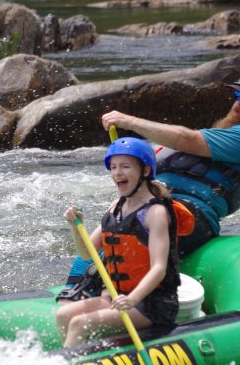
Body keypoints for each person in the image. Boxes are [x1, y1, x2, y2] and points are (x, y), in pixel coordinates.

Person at [101, 67, 240, 256]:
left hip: (190, 215)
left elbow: (186, 139)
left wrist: (130, 122)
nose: (239, 104)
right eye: (237, 95)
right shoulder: (210, 138)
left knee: (129, 242)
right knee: (97, 250)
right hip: (152, 205)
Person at [55, 138, 192, 348]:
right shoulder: (115, 207)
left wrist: (133, 299)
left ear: (145, 171)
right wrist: (75, 226)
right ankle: (83, 355)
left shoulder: (155, 212)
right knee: (64, 315)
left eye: (125, 166)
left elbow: (159, 268)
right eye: (113, 167)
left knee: (79, 323)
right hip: (116, 297)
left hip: (151, 304)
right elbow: (86, 253)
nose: (117, 173)